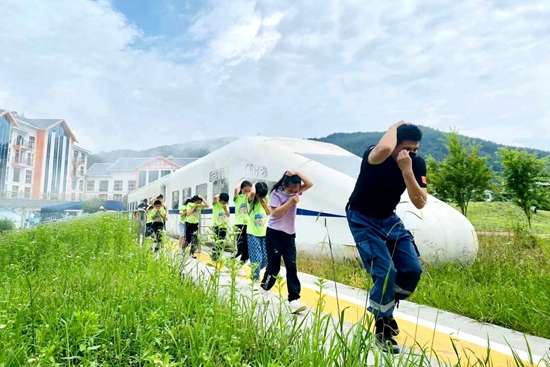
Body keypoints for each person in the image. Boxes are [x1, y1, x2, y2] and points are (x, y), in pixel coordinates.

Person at [346, 121, 426, 354]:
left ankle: (385, 305)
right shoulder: (374, 154)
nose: (410, 153)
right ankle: (383, 327)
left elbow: (420, 202)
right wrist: (394, 125)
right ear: (393, 143)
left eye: (415, 150)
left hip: (388, 219)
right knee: (386, 272)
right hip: (361, 217)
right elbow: (383, 149)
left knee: (412, 270)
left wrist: (407, 170)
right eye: (405, 148)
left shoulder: (415, 164)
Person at [260, 170, 313, 314]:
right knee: (274, 267)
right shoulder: (276, 193)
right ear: (284, 185)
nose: (293, 192)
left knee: (291, 266)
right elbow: (275, 213)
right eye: (290, 189)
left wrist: (297, 172)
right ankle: (264, 288)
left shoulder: (296, 191)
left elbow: (309, 184)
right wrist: (290, 201)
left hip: (289, 234)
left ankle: (293, 300)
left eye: (296, 190)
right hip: (275, 233)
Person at [246, 182, 270, 284]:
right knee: (257, 259)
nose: (261, 197)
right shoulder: (250, 201)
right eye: (260, 195)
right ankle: (255, 281)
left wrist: (264, 204)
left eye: (263, 195)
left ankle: (254, 272)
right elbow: (252, 194)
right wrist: (255, 185)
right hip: (253, 233)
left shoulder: (266, 198)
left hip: (264, 233)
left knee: (265, 259)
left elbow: (269, 213)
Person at [233, 180, 253, 276]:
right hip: (239, 225)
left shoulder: (250, 199)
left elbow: (254, 193)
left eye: (249, 191)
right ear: (242, 189)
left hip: (248, 226)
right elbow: (235, 189)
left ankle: (239, 266)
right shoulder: (238, 198)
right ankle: (232, 263)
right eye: (245, 191)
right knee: (240, 248)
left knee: (247, 250)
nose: (247, 193)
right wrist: (242, 181)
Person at [211, 193, 230, 262]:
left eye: (226, 202)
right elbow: (215, 197)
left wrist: (225, 209)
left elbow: (228, 215)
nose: (224, 203)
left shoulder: (226, 205)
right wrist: (220, 195)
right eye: (223, 202)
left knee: (222, 241)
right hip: (216, 225)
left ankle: (218, 255)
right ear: (220, 200)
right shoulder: (216, 204)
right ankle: (214, 254)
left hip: (223, 226)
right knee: (217, 241)